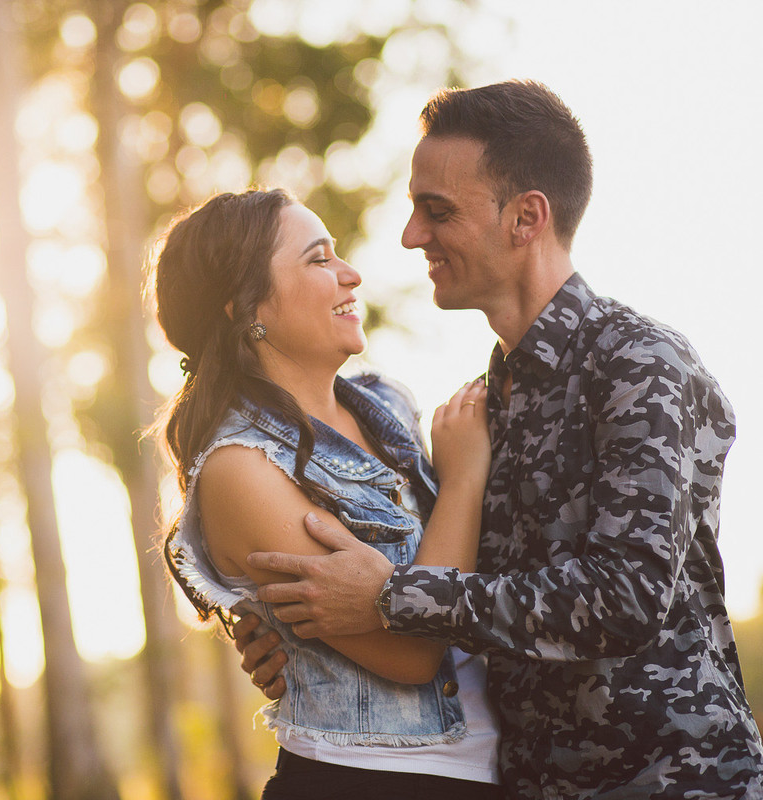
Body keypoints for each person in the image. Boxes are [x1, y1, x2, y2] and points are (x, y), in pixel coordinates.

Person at [236, 80, 763, 798]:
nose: (411, 235)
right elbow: (444, 582)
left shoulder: (640, 365)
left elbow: (626, 597)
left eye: (438, 210)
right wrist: (296, 637)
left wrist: (395, 599)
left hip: (673, 783)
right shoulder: (477, 409)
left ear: (526, 219)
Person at [150, 187, 503, 797]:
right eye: (318, 259)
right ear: (243, 306)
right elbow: (413, 656)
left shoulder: (387, 401)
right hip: (372, 780)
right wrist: (465, 479)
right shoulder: (241, 470)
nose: (351, 273)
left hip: (492, 768)